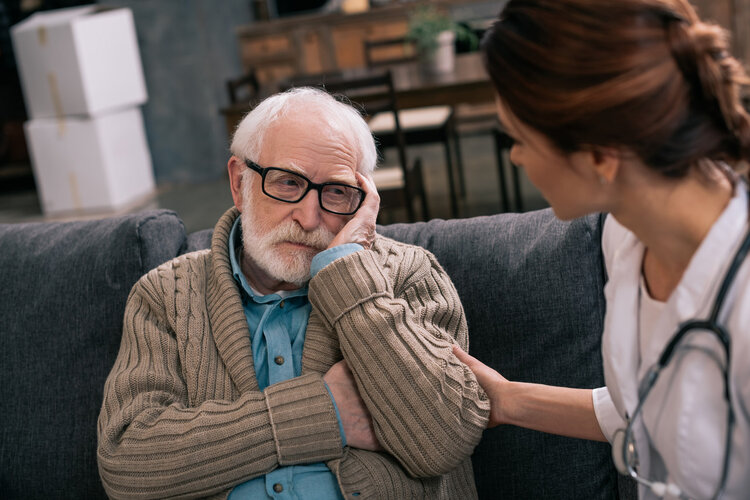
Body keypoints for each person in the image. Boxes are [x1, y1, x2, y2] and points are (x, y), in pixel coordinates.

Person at [96, 87, 489, 499]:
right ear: (238, 181)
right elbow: (127, 465)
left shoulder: (409, 275)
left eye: (336, 192)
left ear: (363, 201)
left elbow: (442, 442)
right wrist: (327, 411)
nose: (308, 217)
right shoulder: (165, 296)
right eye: (286, 182)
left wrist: (347, 274)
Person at [453, 0, 750, 499]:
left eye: (520, 137)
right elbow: (650, 411)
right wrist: (505, 400)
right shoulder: (624, 236)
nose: (514, 156)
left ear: (599, 154)